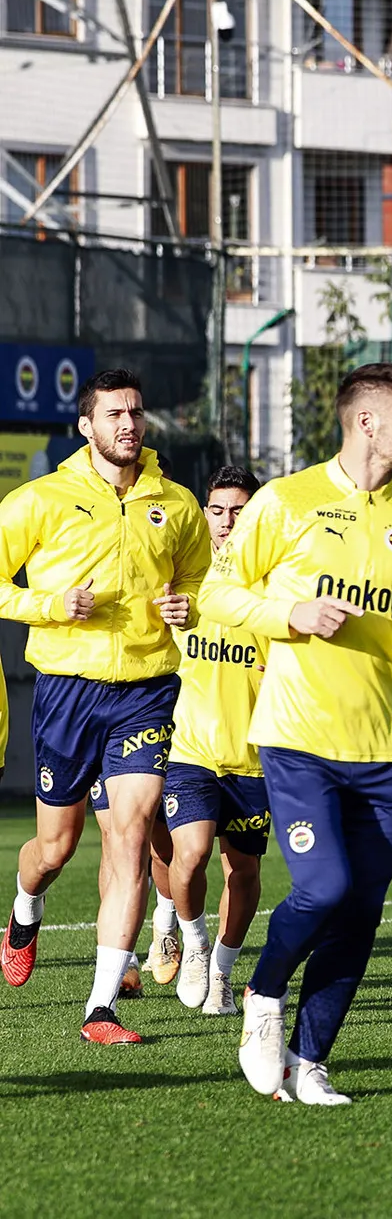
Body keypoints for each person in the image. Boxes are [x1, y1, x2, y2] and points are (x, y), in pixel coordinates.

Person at [203, 362, 392, 1104]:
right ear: (366, 422)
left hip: (381, 747)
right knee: (324, 887)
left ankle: (311, 1061)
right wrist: (291, 617)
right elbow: (219, 592)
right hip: (297, 734)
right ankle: (261, 1001)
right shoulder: (286, 501)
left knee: (362, 909)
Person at [0, 368, 208, 1045]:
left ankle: (100, 1007)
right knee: (54, 850)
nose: (129, 424)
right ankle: (25, 907)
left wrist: (189, 606)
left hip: (147, 689)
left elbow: (204, 583)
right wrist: (49, 606)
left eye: (137, 413)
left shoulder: (176, 504)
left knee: (130, 829)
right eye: (114, 414)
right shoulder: (41, 499)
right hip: (66, 691)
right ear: (86, 425)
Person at [143, 466, 270, 1016]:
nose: (225, 521)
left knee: (243, 872)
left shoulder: (275, 584)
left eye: (238, 510)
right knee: (189, 856)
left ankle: (220, 970)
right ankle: (190, 943)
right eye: (216, 510)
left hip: (255, 757)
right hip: (191, 749)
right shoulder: (186, 580)